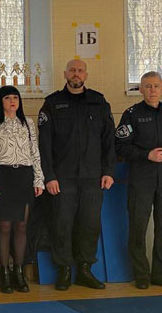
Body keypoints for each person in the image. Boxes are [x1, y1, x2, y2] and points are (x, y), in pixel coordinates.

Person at [38, 59, 115, 291]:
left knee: (89, 224)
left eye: (80, 70)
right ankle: (63, 270)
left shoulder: (98, 102)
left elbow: (108, 141)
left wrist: (108, 171)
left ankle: (84, 270)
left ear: (86, 75)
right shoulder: (52, 103)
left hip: (93, 176)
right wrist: (49, 176)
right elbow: (44, 144)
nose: (76, 74)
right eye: (72, 70)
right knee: (62, 224)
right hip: (62, 177)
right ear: (65, 74)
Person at [115, 71, 162, 290]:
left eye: (156, 86)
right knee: (138, 228)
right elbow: (120, 146)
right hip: (141, 179)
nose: (152, 90)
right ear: (141, 89)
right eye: (147, 86)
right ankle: (141, 274)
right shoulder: (131, 114)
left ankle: (160, 273)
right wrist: (147, 155)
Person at [0, 86, 44, 293]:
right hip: (3, 177)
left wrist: (38, 179)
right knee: (5, 226)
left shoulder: (28, 124)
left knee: (21, 226)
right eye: (7, 98)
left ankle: (19, 271)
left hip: (24, 176)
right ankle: (4, 272)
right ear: (0, 101)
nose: (12, 101)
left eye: (15, 97)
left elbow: (35, 152)